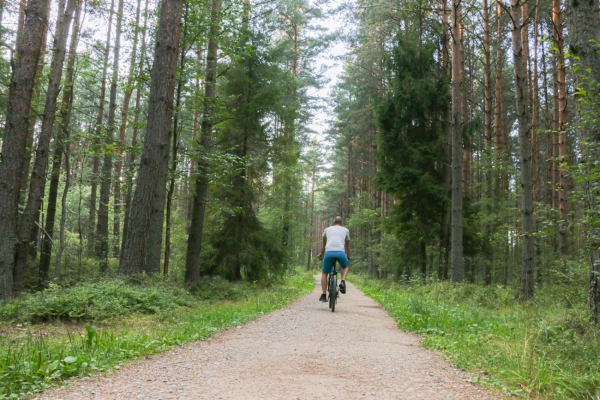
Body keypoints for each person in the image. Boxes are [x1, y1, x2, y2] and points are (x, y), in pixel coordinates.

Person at [318, 216, 351, 302]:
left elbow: (324, 244)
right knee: (345, 266)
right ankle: (343, 281)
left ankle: (324, 295)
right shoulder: (345, 230)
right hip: (340, 252)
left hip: (329, 253)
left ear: (333, 222)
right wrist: (348, 256)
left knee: (325, 273)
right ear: (341, 223)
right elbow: (347, 245)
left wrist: (321, 255)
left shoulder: (327, 229)